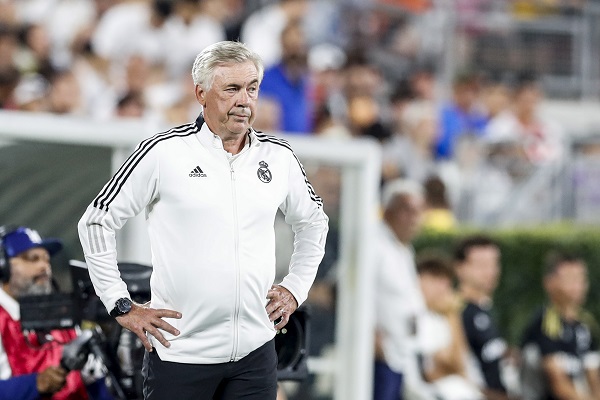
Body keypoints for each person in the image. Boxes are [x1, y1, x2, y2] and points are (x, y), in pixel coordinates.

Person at [77, 40, 329, 400]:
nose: (245, 100)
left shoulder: (279, 157)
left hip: (255, 355)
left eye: (252, 88)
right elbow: (96, 221)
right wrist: (120, 303)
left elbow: (314, 222)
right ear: (201, 93)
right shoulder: (163, 152)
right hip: (180, 356)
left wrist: (295, 288)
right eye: (232, 89)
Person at [0, 226, 112, 400]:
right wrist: (36, 384)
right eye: (33, 259)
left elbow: (92, 380)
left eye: (46, 259)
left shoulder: (61, 312)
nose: (45, 266)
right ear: (4, 266)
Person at [373, 178, 427, 400]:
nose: (414, 219)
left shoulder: (403, 250)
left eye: (418, 212)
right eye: (407, 211)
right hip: (381, 358)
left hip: (403, 355)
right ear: (387, 211)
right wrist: (372, 340)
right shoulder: (373, 245)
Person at [521, 251, 600, 400]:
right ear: (549, 283)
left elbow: (593, 377)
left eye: (581, 279)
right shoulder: (544, 324)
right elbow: (559, 385)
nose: (577, 286)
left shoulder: (585, 324)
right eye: (570, 279)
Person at [453, 235, 513, 400]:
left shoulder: (486, 309)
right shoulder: (455, 312)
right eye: (481, 265)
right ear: (460, 268)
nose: (490, 271)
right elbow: (457, 369)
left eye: (494, 264)